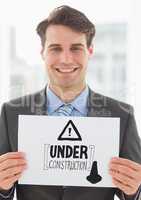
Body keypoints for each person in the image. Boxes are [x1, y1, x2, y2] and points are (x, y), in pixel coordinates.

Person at [0, 5, 141, 200]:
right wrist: (2, 187)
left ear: (90, 51)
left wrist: (134, 190)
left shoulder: (122, 115)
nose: (66, 59)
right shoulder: (11, 114)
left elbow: (133, 193)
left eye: (76, 48)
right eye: (55, 48)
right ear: (42, 52)